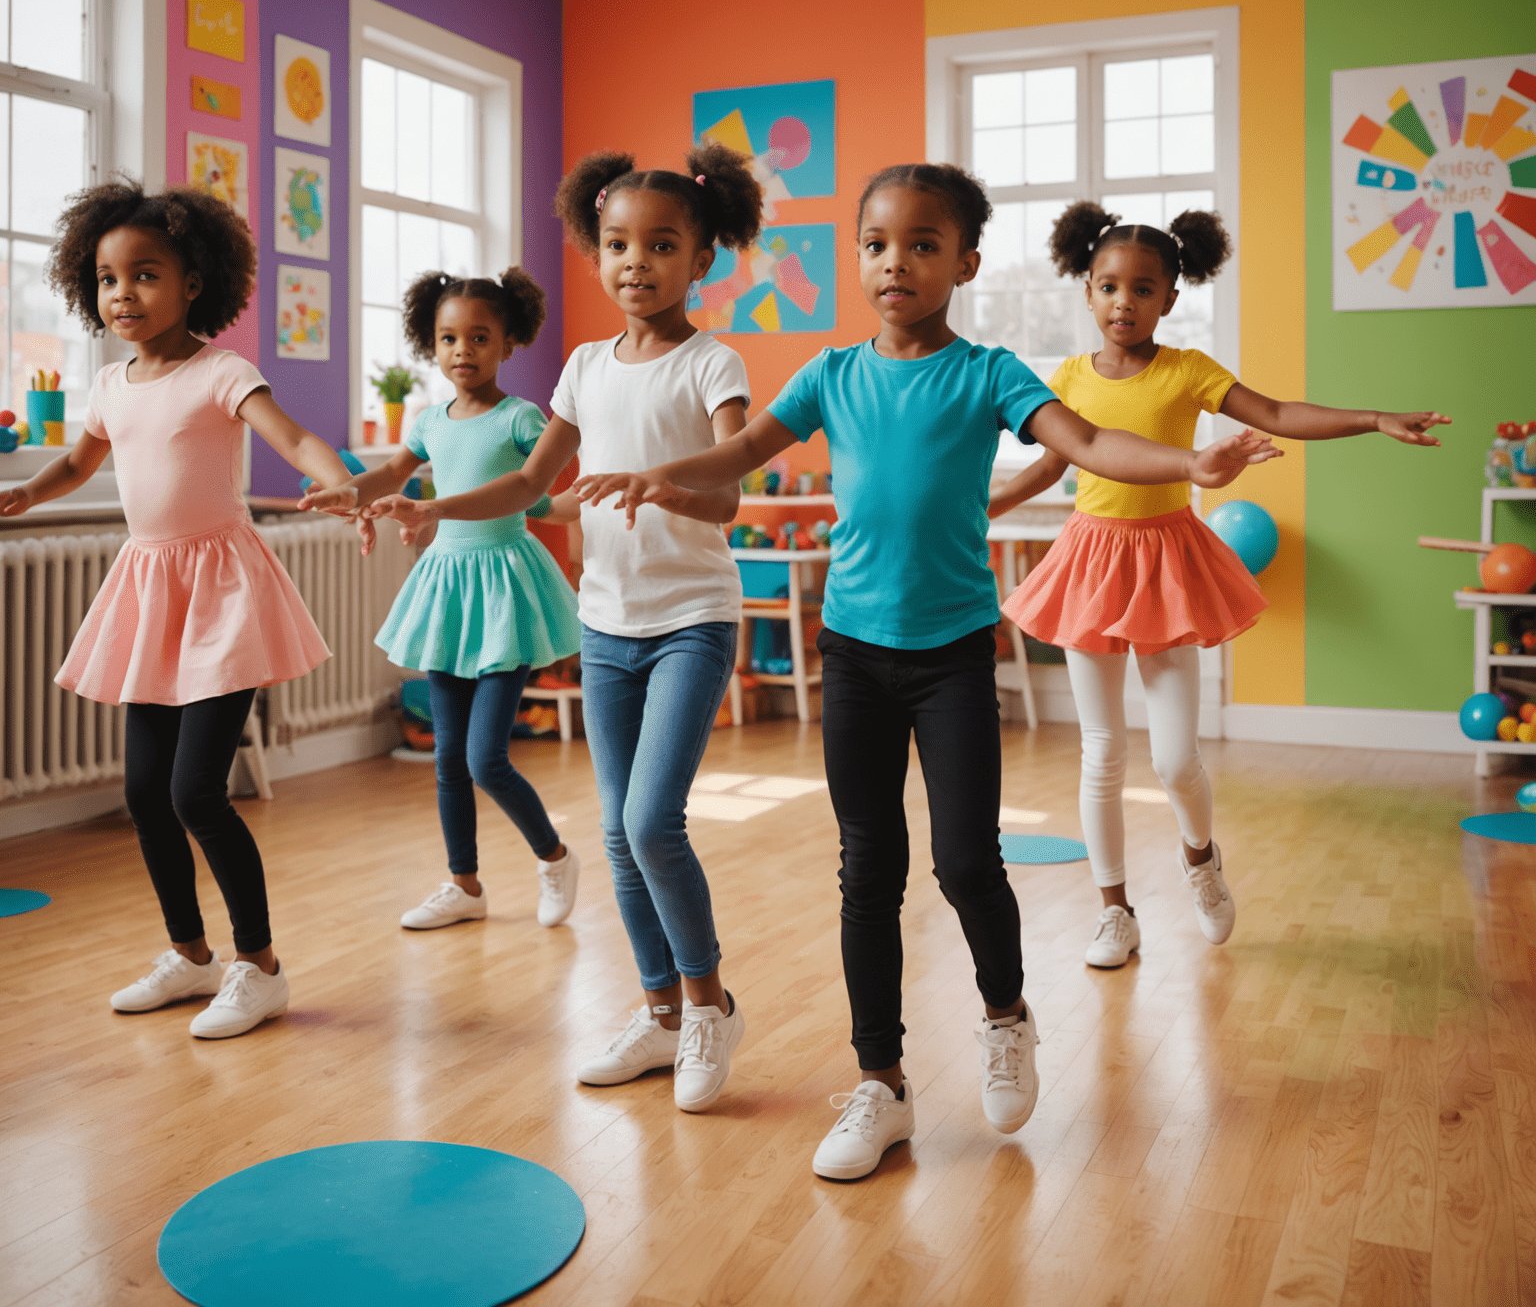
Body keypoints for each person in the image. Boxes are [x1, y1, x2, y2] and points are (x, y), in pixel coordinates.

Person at [575, 163, 1279, 1179]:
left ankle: (1005, 1014)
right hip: (854, 655)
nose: (893, 262)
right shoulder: (829, 373)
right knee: (868, 870)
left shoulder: (990, 373)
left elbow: (1082, 440)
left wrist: (1189, 463)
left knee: (962, 862)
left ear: (965, 262)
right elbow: (742, 456)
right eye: (874, 244)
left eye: (920, 243)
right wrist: (663, 476)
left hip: (951, 657)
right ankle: (880, 1085)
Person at [362, 145, 763, 1113]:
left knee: (650, 821)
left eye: (662, 245)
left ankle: (710, 1006)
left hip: (691, 621)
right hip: (609, 626)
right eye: (618, 242)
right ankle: (659, 1011)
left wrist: (666, 483)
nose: (637, 261)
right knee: (620, 839)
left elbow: (730, 501)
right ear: (594, 252)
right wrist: (427, 504)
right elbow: (530, 483)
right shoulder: (584, 367)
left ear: (701, 257)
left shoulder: (713, 361)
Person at [993, 201, 1450, 972]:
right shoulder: (1066, 377)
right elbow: (1049, 465)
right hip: (1091, 564)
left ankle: (1200, 859)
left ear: (1171, 296)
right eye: (1107, 287)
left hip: (1170, 563)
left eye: (1142, 289)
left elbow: (1273, 411)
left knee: (1173, 759)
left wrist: (1373, 417)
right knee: (1101, 752)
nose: (1122, 303)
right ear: (1086, 291)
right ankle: (1114, 912)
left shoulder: (1188, 370)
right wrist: (976, 507)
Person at [0, 180, 373, 1038]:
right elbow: (77, 463)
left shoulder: (221, 372)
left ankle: (260, 965)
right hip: (148, 588)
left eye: (145, 274)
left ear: (194, 280)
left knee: (197, 790)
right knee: (144, 791)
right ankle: (191, 956)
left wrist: (338, 477)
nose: (122, 294)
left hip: (223, 590)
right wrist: (25, 496)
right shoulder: (109, 383)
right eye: (105, 279)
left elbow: (293, 436)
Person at [302, 268, 582, 931]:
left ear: (508, 342)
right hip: (447, 588)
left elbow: (532, 490)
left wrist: (569, 506)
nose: (462, 350)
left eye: (479, 337)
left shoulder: (521, 418)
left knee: (486, 756)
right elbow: (393, 473)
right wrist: (350, 492)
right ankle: (463, 884)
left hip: (506, 587)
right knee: (448, 756)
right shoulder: (430, 420)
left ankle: (554, 855)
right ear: (432, 344)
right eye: (448, 338)